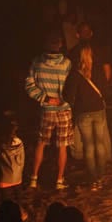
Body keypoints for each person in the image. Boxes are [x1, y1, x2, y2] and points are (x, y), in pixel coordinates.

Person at [25, 29, 72, 190]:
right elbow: (72, 87)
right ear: (60, 44)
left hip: (47, 109)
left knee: (41, 143)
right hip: (64, 108)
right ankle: (59, 180)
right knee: (62, 146)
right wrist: (64, 99)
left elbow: (29, 86)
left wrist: (45, 98)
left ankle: (33, 178)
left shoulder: (36, 62)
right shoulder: (67, 63)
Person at [63, 43, 109, 190]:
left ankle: (93, 179)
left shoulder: (75, 74)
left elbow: (70, 97)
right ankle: (101, 177)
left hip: (83, 113)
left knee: (88, 146)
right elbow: (105, 88)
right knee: (99, 144)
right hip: (98, 110)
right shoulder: (98, 71)